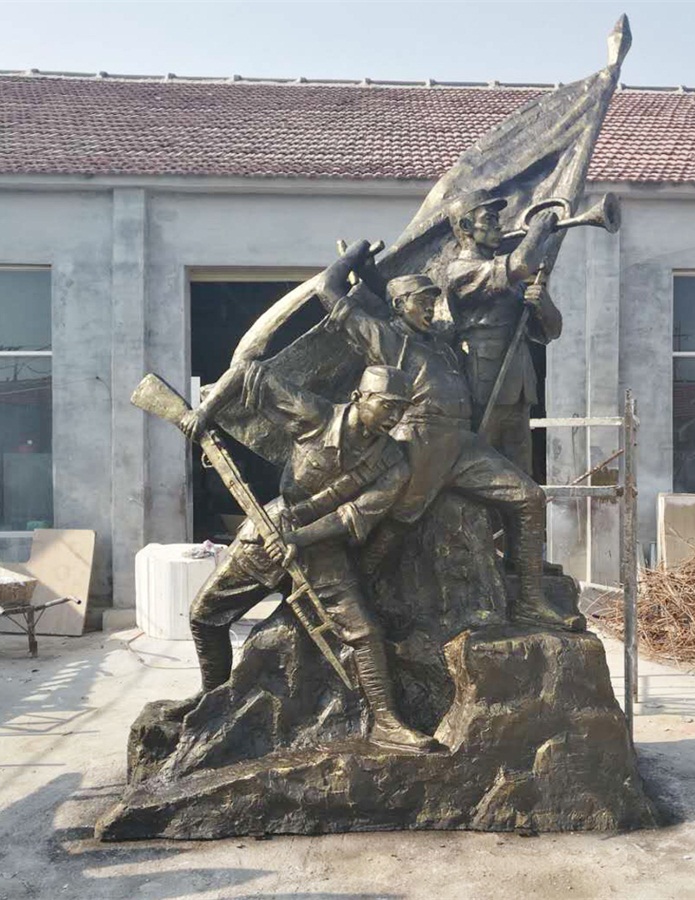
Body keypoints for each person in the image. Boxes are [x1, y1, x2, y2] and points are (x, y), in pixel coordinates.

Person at [315, 241, 583, 632]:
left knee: (530, 498)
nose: (431, 307)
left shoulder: (439, 340)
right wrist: (354, 256)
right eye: (422, 301)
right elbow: (326, 289)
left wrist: (373, 276)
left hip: (462, 444)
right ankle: (352, 598)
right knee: (397, 523)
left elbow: (411, 299)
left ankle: (529, 602)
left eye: (432, 300)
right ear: (399, 306)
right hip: (420, 441)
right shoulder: (385, 337)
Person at [175, 363, 439, 752]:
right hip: (267, 530)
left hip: (322, 547)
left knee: (364, 633)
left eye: (402, 408)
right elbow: (248, 372)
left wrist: (297, 539)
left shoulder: (394, 464)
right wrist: (203, 413)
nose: (395, 416)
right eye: (388, 405)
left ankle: (385, 723)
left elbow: (350, 517)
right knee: (204, 615)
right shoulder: (316, 416)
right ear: (359, 397)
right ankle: (212, 701)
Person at [444, 189, 564, 475]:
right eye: (490, 219)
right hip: (484, 381)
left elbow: (550, 333)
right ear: (466, 226)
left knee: (520, 472)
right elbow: (521, 264)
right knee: (481, 467)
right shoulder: (460, 270)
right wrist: (538, 231)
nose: (499, 225)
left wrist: (543, 304)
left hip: (519, 384)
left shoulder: (511, 281)